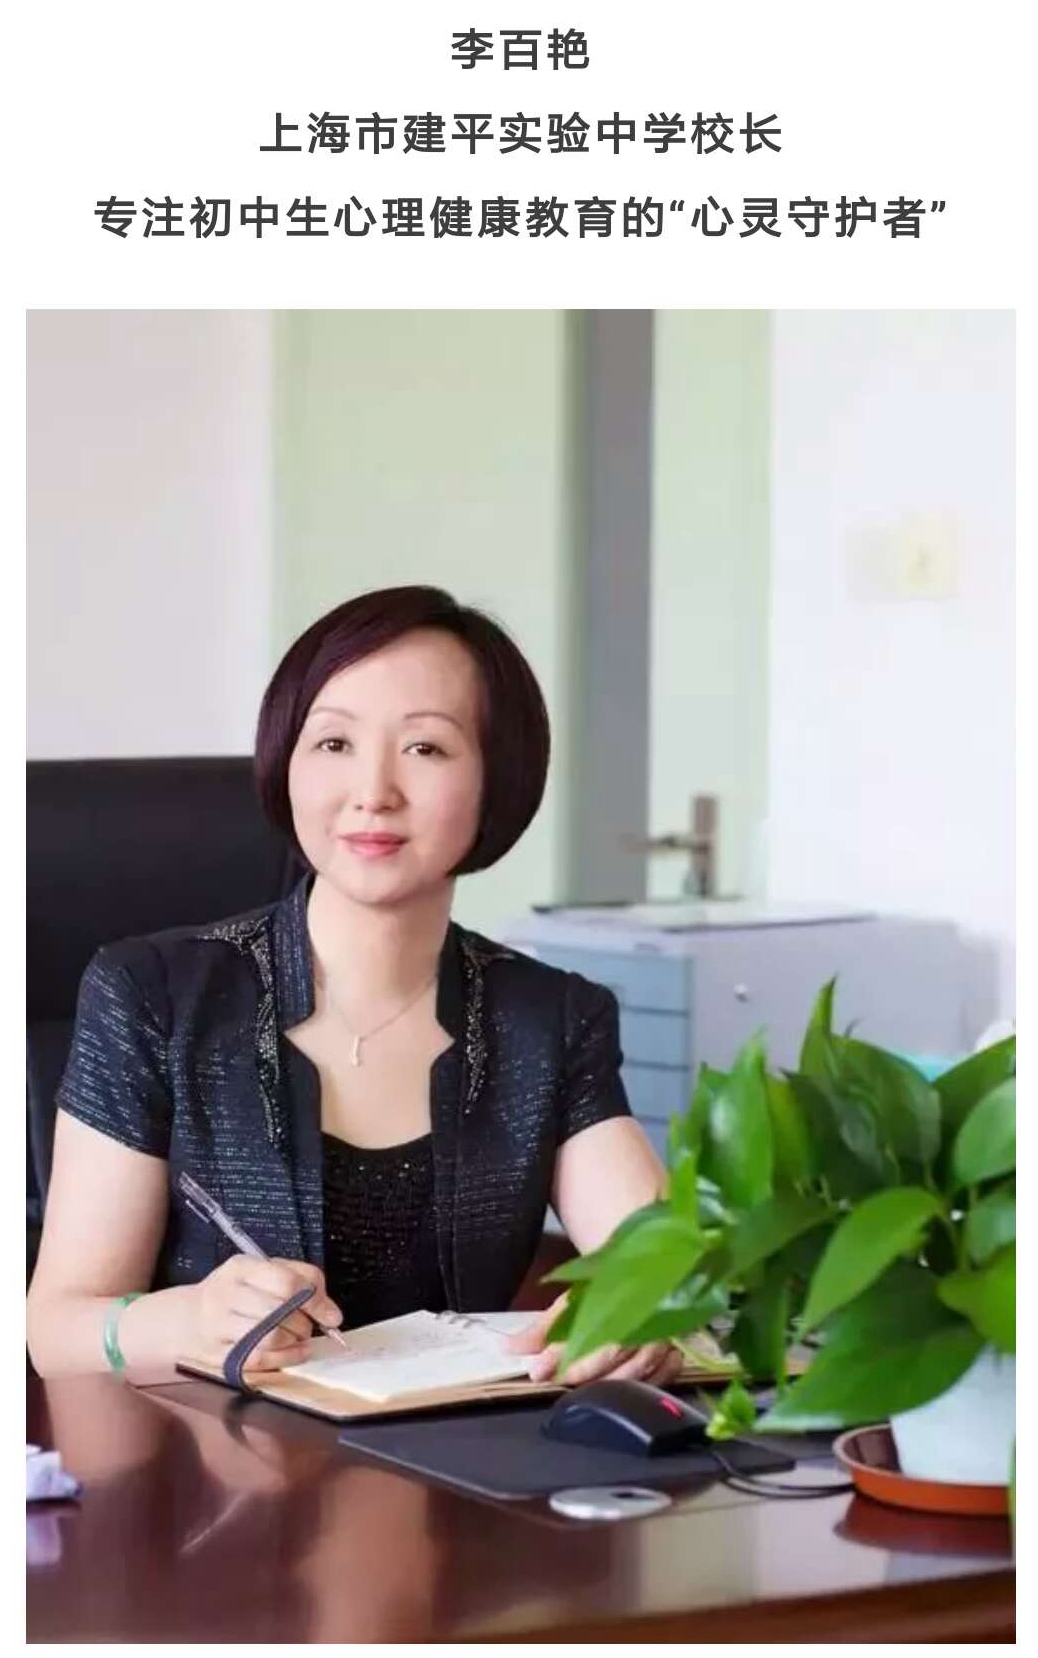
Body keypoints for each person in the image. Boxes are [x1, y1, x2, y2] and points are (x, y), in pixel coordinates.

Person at [27, 586, 681, 1388]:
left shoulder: (552, 1019)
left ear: (497, 780)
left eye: (426, 748)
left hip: (458, 1453)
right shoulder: (154, 996)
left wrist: (642, 1310)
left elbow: (658, 1263)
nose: (374, 792)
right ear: (288, 765)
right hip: (208, 1457)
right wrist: (184, 1322)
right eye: (334, 743)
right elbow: (56, 1329)